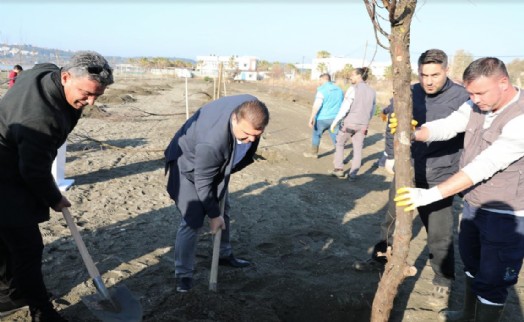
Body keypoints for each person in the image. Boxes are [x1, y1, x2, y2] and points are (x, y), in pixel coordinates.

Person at [395, 57, 524, 322]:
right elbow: (449, 125)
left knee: (493, 279)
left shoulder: (520, 118)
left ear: (503, 82)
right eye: (470, 93)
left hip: (508, 215)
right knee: (472, 265)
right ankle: (468, 315)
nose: (475, 100)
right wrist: (414, 133)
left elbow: (484, 165)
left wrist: (429, 195)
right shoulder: (476, 103)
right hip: (474, 204)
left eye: (480, 93)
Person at [0, 52, 113, 321]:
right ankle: (42, 312)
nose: (91, 102)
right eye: (86, 94)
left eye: (98, 95)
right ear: (65, 77)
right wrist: (54, 198)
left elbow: (38, 67)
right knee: (27, 249)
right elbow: (34, 171)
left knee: (5, 241)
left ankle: (8, 293)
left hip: (12, 156)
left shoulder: (45, 71)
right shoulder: (41, 119)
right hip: (5, 175)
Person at [352, 49, 470, 300]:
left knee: (439, 230)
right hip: (407, 169)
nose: (429, 80)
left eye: (435, 74)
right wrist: (389, 156)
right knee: (391, 220)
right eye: (424, 74)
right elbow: (391, 122)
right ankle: (381, 257)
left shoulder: (462, 97)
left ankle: (443, 275)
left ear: (446, 71)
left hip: (441, 175)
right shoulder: (409, 92)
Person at [164, 94, 270, 293]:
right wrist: (212, 215)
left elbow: (235, 155)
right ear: (234, 119)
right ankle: (183, 275)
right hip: (188, 164)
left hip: (215, 163)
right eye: (246, 135)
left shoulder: (252, 107)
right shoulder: (212, 142)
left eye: (256, 136)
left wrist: (217, 211)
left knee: (223, 208)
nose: (251, 141)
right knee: (192, 219)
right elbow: (203, 182)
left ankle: (223, 253)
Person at [329, 67, 376, 181]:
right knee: (358, 149)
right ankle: (353, 175)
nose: (351, 77)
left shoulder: (353, 89)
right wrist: (366, 120)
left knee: (340, 143)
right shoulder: (372, 91)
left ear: (359, 76)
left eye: (352, 75)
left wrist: (335, 122)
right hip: (363, 124)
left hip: (350, 123)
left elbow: (344, 108)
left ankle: (339, 170)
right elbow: (372, 110)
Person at [303, 73, 343, 158]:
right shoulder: (339, 90)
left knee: (316, 134)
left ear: (324, 79)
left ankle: (313, 153)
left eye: (320, 80)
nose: (319, 81)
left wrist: (311, 118)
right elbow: (343, 104)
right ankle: (339, 157)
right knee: (335, 137)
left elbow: (317, 105)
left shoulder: (322, 90)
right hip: (335, 118)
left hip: (322, 119)